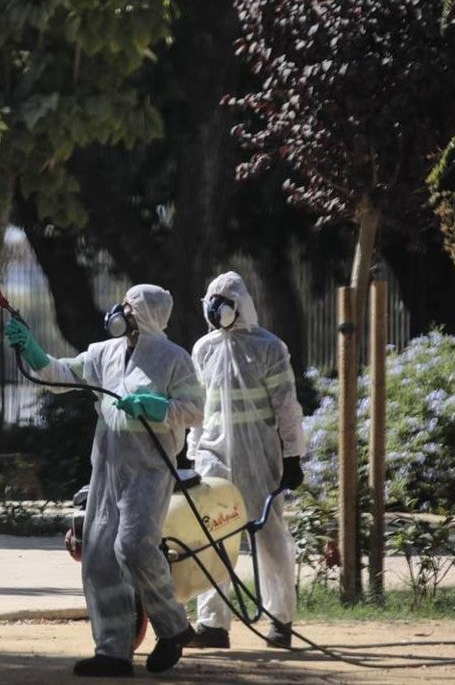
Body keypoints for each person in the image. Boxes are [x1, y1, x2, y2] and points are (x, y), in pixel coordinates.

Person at [5, 284, 203, 677]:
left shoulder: (173, 360)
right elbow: (59, 373)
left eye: (127, 306)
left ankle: (174, 627)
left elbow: (194, 411)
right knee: (97, 558)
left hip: (148, 469)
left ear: (143, 314)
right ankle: (113, 652)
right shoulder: (102, 353)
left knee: (132, 546)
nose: (118, 311)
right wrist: (31, 348)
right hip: (108, 466)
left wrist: (157, 407)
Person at [186, 271, 304, 649]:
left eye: (223, 301)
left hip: (259, 458)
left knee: (269, 537)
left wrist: (292, 456)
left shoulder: (269, 348)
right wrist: (193, 451)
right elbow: (200, 407)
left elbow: (287, 406)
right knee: (212, 536)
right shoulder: (203, 348)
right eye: (212, 301)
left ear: (240, 306)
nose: (215, 309)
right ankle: (213, 624)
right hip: (214, 456)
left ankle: (280, 620)